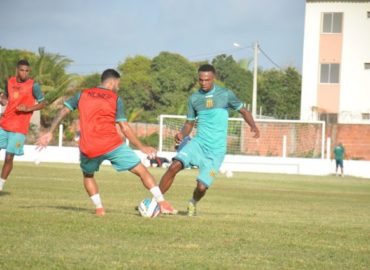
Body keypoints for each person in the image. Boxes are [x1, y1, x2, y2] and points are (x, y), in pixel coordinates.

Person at [37, 69, 176, 216]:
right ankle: (162, 202)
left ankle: (99, 209)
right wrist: (141, 146)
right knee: (142, 171)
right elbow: (124, 127)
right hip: (112, 145)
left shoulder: (81, 95)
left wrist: (50, 131)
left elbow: (64, 111)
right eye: (119, 84)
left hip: (88, 147)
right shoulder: (115, 99)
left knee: (88, 176)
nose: (119, 87)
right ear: (113, 82)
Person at [159, 64, 260, 216]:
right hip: (198, 144)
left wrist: (253, 126)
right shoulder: (194, 98)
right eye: (201, 80)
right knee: (174, 165)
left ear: (214, 78)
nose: (204, 83)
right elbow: (189, 123)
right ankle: (156, 202)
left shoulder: (225, 94)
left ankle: (193, 202)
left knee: (201, 187)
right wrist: (182, 134)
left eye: (207, 80)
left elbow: (243, 110)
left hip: (216, 151)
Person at [0, 60, 46, 191]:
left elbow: (43, 103)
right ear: (17, 70)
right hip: (4, 123)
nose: (24, 73)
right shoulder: (9, 81)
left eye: (27, 71)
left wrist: (28, 108)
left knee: (9, 157)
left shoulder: (33, 86)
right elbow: (5, 96)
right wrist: (2, 99)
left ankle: (1, 185)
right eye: (22, 70)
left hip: (19, 128)